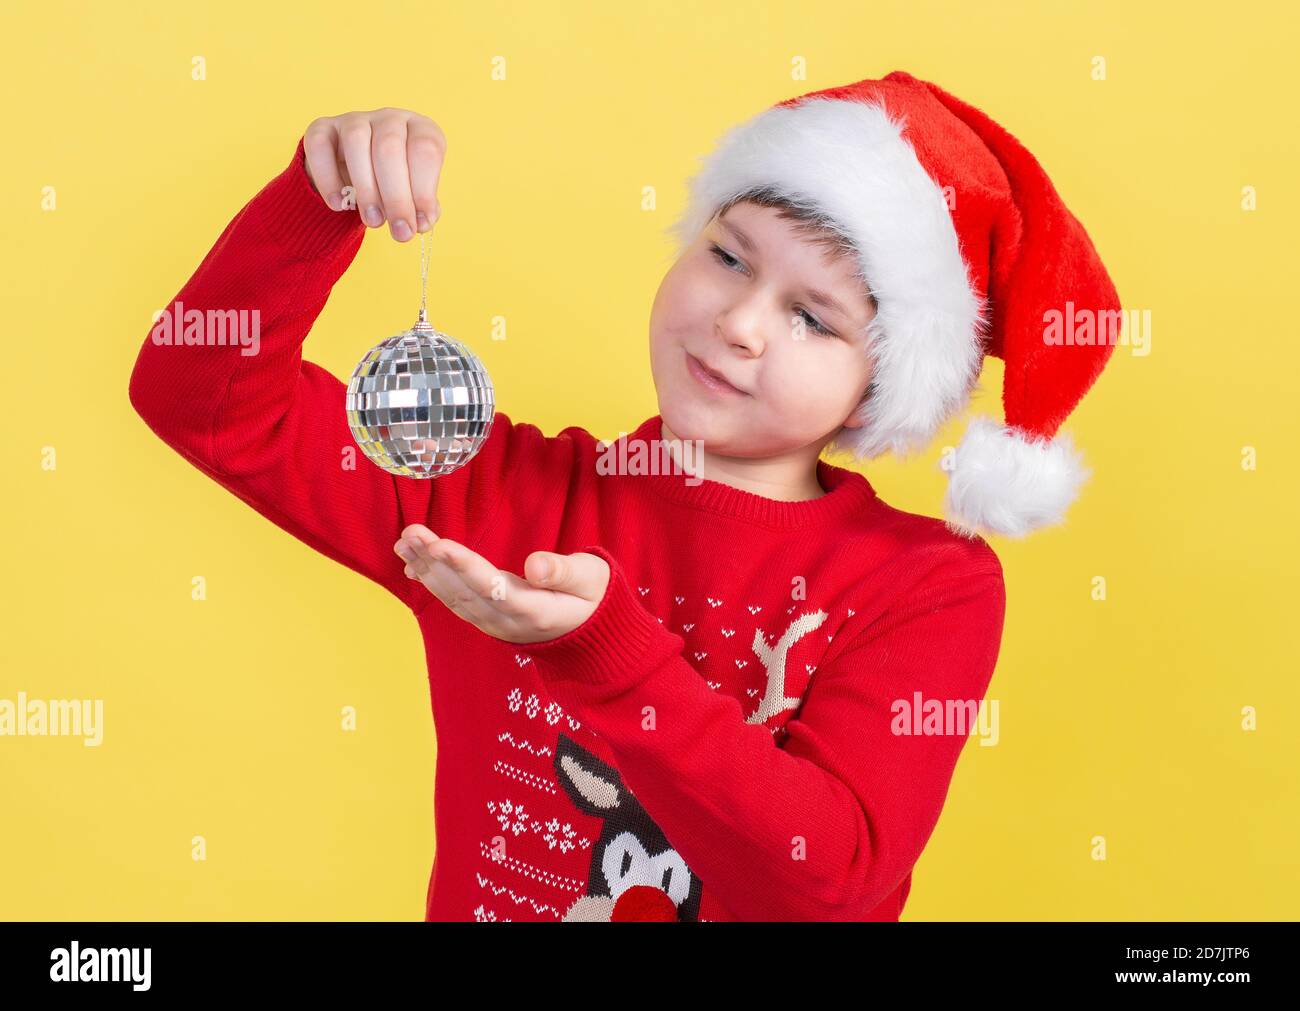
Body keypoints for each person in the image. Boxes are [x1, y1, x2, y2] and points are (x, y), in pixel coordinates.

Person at [128, 70, 1120, 921]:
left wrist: (607, 656)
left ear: (887, 381)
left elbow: (826, 893)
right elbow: (203, 404)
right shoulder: (496, 494)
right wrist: (317, 200)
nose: (739, 323)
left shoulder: (926, 585)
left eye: (813, 317)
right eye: (728, 255)